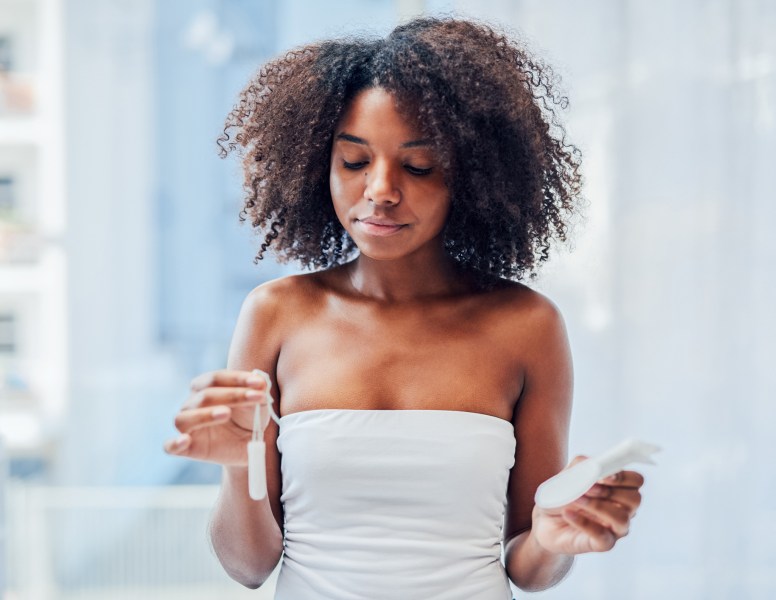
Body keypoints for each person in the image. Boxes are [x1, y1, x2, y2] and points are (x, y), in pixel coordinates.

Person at [164, 17, 644, 599]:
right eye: (355, 161)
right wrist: (239, 466)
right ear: (322, 166)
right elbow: (249, 566)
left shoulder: (527, 326)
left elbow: (527, 564)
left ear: (469, 176)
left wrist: (551, 535)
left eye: (418, 166)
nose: (382, 189)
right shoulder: (276, 314)